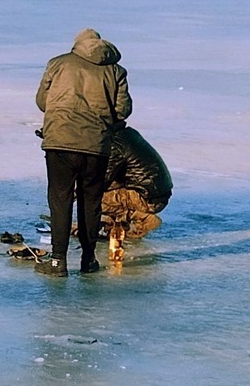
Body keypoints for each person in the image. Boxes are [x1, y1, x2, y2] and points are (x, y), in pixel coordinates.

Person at [34, 28, 131, 273]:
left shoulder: (57, 64)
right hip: (96, 145)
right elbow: (123, 110)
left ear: (77, 44)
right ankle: (88, 260)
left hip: (60, 141)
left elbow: (42, 103)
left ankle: (58, 261)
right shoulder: (115, 71)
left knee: (60, 200)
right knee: (91, 202)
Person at [101, 124, 172, 262]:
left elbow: (102, 180)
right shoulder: (127, 135)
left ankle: (143, 220)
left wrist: (68, 196)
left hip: (147, 198)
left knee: (94, 197)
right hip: (156, 194)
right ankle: (114, 223)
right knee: (109, 193)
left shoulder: (117, 143)